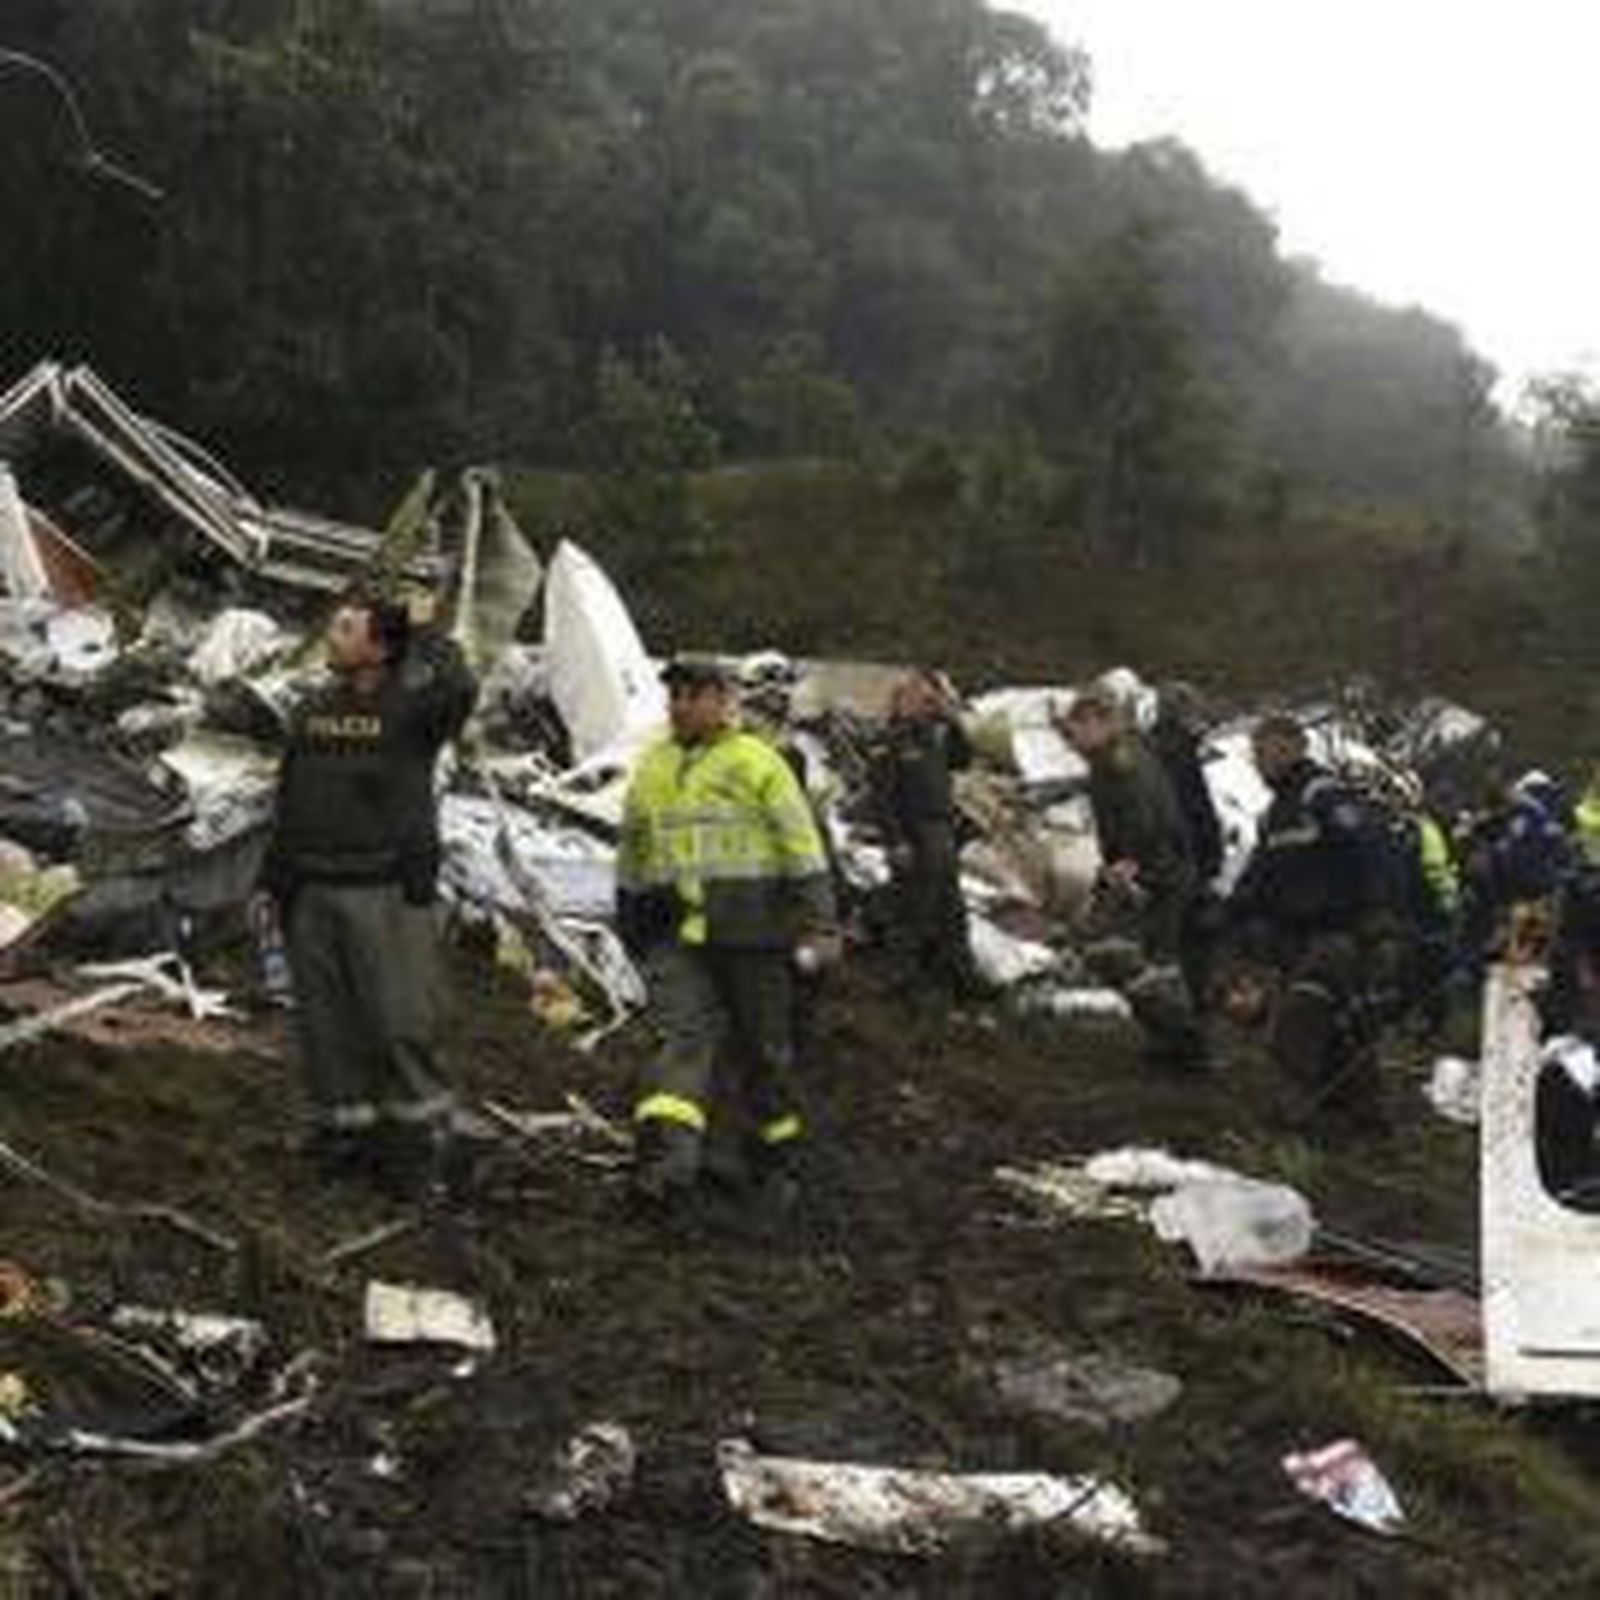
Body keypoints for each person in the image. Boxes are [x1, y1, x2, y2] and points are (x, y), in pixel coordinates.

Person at [262, 593, 478, 1188]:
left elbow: (460, 689)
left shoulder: (412, 711)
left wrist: (424, 627)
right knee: (325, 1024)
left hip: (383, 890)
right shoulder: (311, 711)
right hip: (312, 888)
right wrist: (276, 877)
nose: (332, 635)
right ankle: (344, 1135)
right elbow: (290, 795)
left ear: (380, 648)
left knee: (399, 1021)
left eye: (348, 627)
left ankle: (422, 1144)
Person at [617, 656, 840, 1204]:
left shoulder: (758, 763)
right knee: (680, 1042)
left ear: (723, 700)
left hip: (755, 935)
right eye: (675, 696)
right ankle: (667, 1166)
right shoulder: (653, 766)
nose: (681, 705)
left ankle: (772, 1162)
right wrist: (630, 917)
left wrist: (821, 924)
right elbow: (634, 850)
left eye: (693, 695)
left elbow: (802, 849)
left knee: (762, 1053)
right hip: (680, 936)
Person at [1226, 715, 1396, 1123]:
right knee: (1340, 1027)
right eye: (1257, 753)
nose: (1260, 761)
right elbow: (1259, 875)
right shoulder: (1275, 814)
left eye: (1267, 751)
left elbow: (1369, 849)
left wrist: (1377, 913)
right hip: (1292, 937)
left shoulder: (1324, 796)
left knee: (1300, 1021)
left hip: (1337, 934)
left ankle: (1294, 1116)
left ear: (1293, 749)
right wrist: (1229, 912)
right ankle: (1359, 1113)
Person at [1061, 686, 1207, 1071]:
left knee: (1131, 955)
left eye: (1079, 726)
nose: (1073, 736)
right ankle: (1173, 1038)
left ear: (1102, 724)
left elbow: (1145, 818)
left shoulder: (1121, 762)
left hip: (1156, 871)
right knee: (1130, 954)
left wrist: (1129, 866)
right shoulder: (1108, 760)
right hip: (1152, 868)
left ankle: (1183, 1043)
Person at [872, 669, 982, 997]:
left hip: (942, 831)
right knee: (911, 910)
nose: (924, 703)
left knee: (952, 910)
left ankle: (962, 975)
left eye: (928, 698)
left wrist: (952, 719)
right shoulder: (890, 741)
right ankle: (902, 980)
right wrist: (895, 841)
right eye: (917, 697)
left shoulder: (934, 737)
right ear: (900, 700)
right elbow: (882, 798)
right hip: (913, 833)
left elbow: (964, 759)